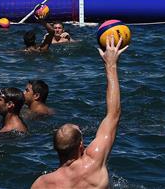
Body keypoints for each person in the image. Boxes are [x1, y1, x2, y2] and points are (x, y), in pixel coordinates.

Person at [31, 36, 127, 189]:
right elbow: (113, 114)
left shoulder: (42, 184)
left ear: (55, 148)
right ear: (81, 146)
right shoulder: (93, 164)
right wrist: (111, 65)